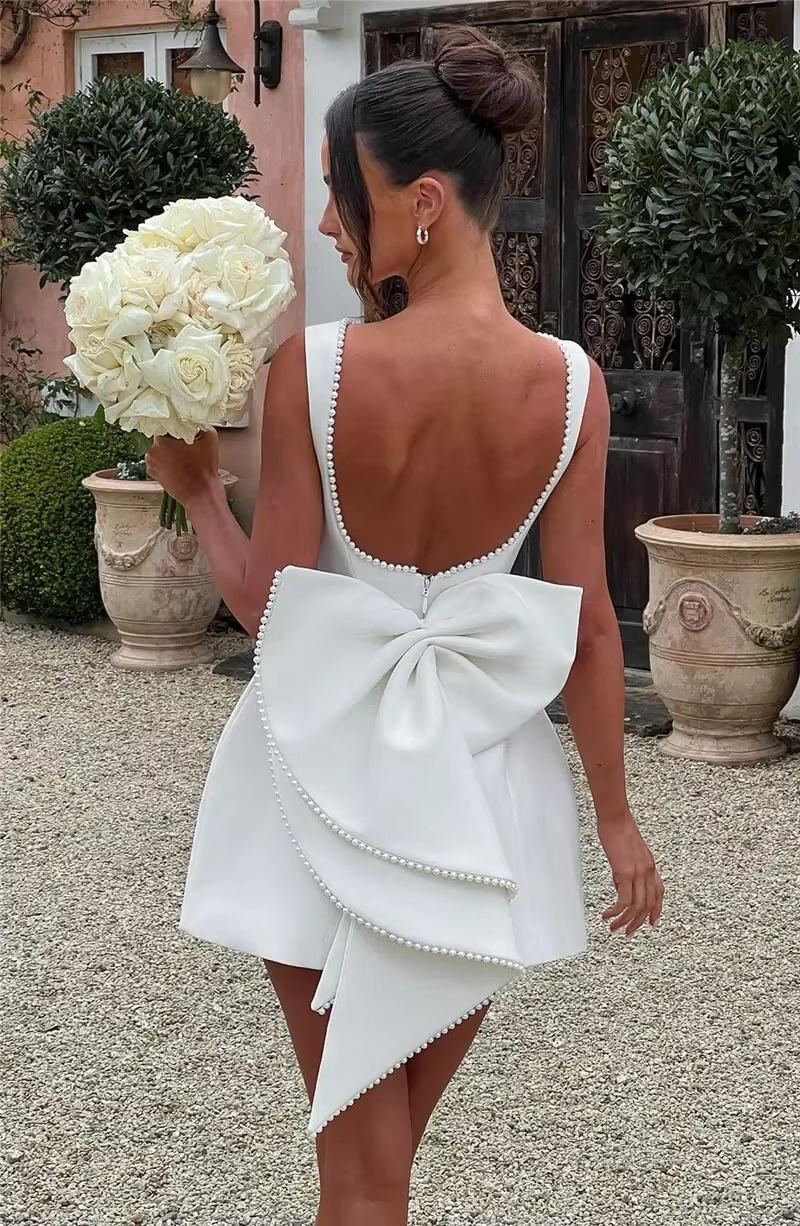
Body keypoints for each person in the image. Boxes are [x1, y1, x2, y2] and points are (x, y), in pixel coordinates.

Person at [146, 25, 664, 1226]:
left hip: (314, 778)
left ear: (422, 203)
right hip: (479, 799)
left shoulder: (317, 370)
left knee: (362, 1170)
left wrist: (196, 494)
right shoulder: (573, 384)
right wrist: (613, 817)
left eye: (343, 191)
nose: (328, 221)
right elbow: (589, 628)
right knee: (376, 1165)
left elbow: (270, 606)